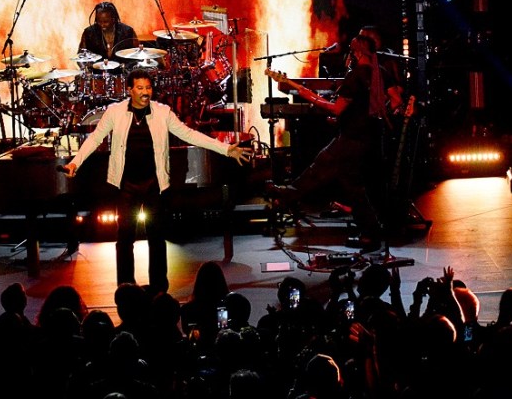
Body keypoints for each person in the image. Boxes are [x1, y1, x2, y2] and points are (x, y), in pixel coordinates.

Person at [62, 67, 253, 294]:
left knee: (157, 238)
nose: (145, 92)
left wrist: (226, 149)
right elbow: (94, 139)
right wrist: (75, 162)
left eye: (148, 88)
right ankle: (126, 289)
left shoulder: (163, 112)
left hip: (154, 184)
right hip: (125, 184)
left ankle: (159, 290)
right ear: (130, 90)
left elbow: (189, 134)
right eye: (140, 88)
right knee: (125, 239)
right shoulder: (115, 112)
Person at [266, 33, 391, 250]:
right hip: (366, 137)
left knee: (325, 168)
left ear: (357, 52)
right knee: (347, 183)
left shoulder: (356, 75)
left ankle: (286, 194)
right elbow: (374, 103)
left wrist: (306, 94)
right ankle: (370, 234)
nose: (348, 55)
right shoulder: (378, 72)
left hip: (352, 138)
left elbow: (337, 108)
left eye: (351, 50)